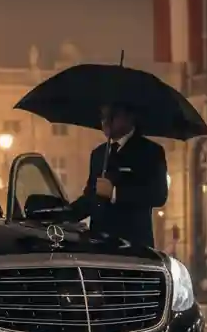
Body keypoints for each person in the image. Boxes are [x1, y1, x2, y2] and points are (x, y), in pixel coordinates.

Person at [68, 102, 168, 248]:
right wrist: (64, 215)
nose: (105, 122)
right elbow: (90, 197)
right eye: (102, 117)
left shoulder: (150, 151)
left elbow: (158, 195)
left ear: (130, 117)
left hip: (134, 246)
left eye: (112, 116)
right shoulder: (98, 154)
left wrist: (115, 193)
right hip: (98, 245)